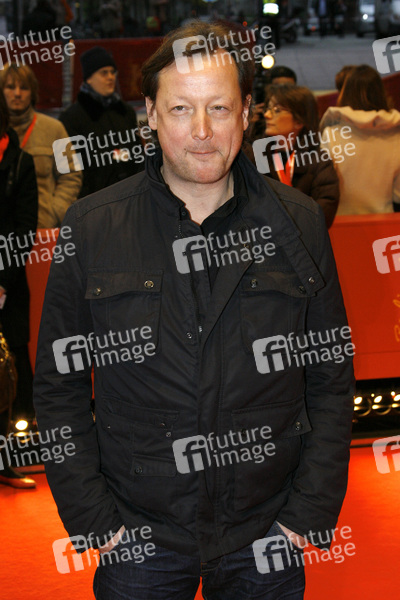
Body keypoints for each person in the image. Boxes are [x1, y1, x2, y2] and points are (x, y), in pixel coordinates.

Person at [34, 21, 354, 599]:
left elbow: (330, 376)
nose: (202, 131)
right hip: (138, 538)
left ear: (247, 113)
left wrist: (305, 515)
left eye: (219, 108)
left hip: (267, 533)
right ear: (151, 114)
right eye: (181, 108)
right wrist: (96, 523)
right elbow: (59, 386)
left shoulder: (299, 223)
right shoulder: (93, 226)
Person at [0, 89, 38, 489]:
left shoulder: (20, 162)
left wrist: (3, 282)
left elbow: (24, 229)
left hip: (7, 283)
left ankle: (7, 457)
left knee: (9, 370)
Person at [0, 63, 82, 229]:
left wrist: (55, 213)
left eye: (24, 88)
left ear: (32, 92)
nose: (17, 93)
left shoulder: (54, 128)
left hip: (43, 229)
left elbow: (71, 175)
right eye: (10, 87)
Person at [248, 84, 339, 228]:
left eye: (277, 110)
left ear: (299, 120)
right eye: (268, 109)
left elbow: (324, 213)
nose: (267, 115)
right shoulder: (255, 156)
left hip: (305, 239)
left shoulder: (318, 160)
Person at [59, 46, 144, 199]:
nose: (110, 77)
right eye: (104, 73)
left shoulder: (125, 112)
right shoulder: (70, 118)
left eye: (113, 72)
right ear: (89, 78)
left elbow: (137, 155)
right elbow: (67, 168)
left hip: (131, 197)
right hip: (93, 201)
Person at [320, 64, 400, 214]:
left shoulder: (331, 134)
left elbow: (325, 188)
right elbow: (398, 194)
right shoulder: (396, 134)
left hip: (341, 219)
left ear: (345, 93)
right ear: (381, 92)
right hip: (384, 221)